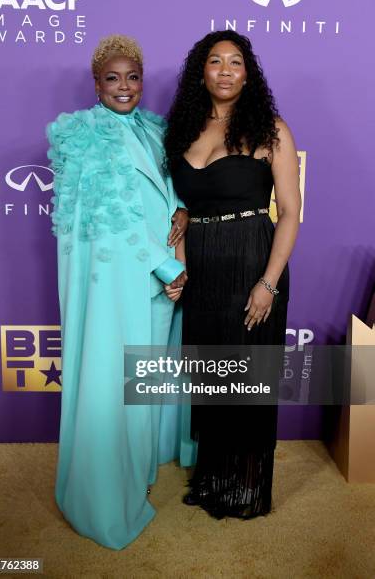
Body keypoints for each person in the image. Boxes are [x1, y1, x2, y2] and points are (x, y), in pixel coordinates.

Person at [46, 34, 190, 549]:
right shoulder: (82, 134)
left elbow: (173, 194)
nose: (124, 86)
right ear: (96, 83)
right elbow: (112, 219)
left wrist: (183, 218)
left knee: (144, 383)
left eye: (133, 77)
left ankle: (138, 472)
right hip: (120, 282)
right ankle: (108, 494)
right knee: (115, 382)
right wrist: (165, 266)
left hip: (159, 284)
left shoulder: (155, 131)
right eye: (113, 78)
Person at [164, 30, 301, 519]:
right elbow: (178, 204)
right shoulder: (182, 130)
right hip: (202, 265)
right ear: (201, 71)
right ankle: (214, 476)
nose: (225, 70)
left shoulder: (271, 129)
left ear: (248, 73)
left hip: (251, 259)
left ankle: (246, 483)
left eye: (235, 62)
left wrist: (268, 283)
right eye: (215, 61)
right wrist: (180, 235)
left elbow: (289, 211)